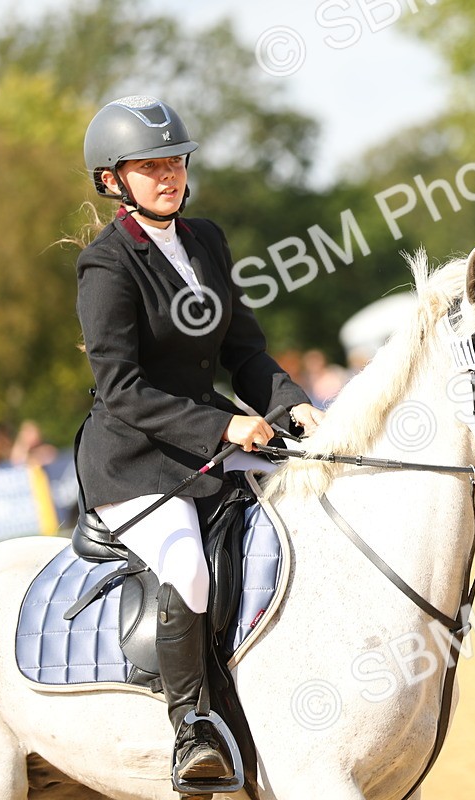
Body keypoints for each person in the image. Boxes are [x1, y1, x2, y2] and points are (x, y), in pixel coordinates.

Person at [77, 95, 324, 787]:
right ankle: (193, 731)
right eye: (148, 167)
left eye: (174, 162)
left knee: (308, 507)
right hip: (135, 461)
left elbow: (244, 349)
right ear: (112, 180)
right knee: (186, 564)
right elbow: (120, 389)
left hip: (209, 445)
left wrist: (291, 404)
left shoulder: (206, 239)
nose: (167, 177)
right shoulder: (107, 266)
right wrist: (223, 424)